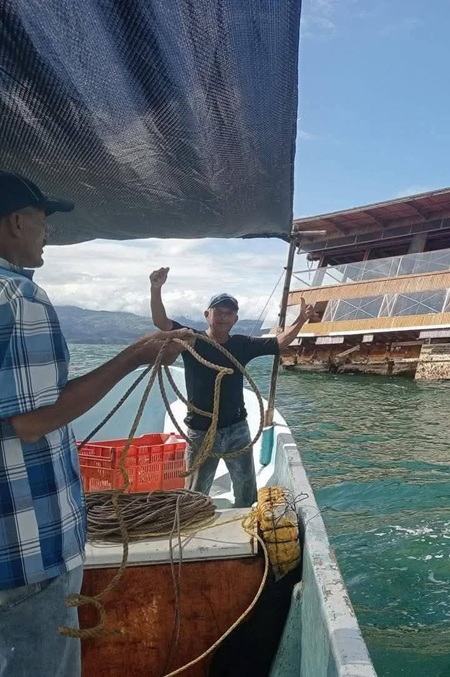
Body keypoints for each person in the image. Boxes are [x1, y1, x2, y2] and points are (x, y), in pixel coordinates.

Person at [0, 170, 192, 677]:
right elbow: (33, 422)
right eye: (42, 220)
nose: (48, 233)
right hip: (25, 551)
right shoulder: (19, 298)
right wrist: (135, 356)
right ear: (16, 222)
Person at [149, 267, 313, 508]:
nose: (223, 317)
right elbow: (162, 323)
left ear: (235, 320)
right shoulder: (192, 339)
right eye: (218, 311)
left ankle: (244, 522)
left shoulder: (241, 344)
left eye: (229, 313)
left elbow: (279, 343)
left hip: (237, 428)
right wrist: (156, 289)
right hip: (202, 430)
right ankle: (195, 524)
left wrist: (301, 320)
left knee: (247, 492)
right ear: (207, 315)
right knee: (195, 495)